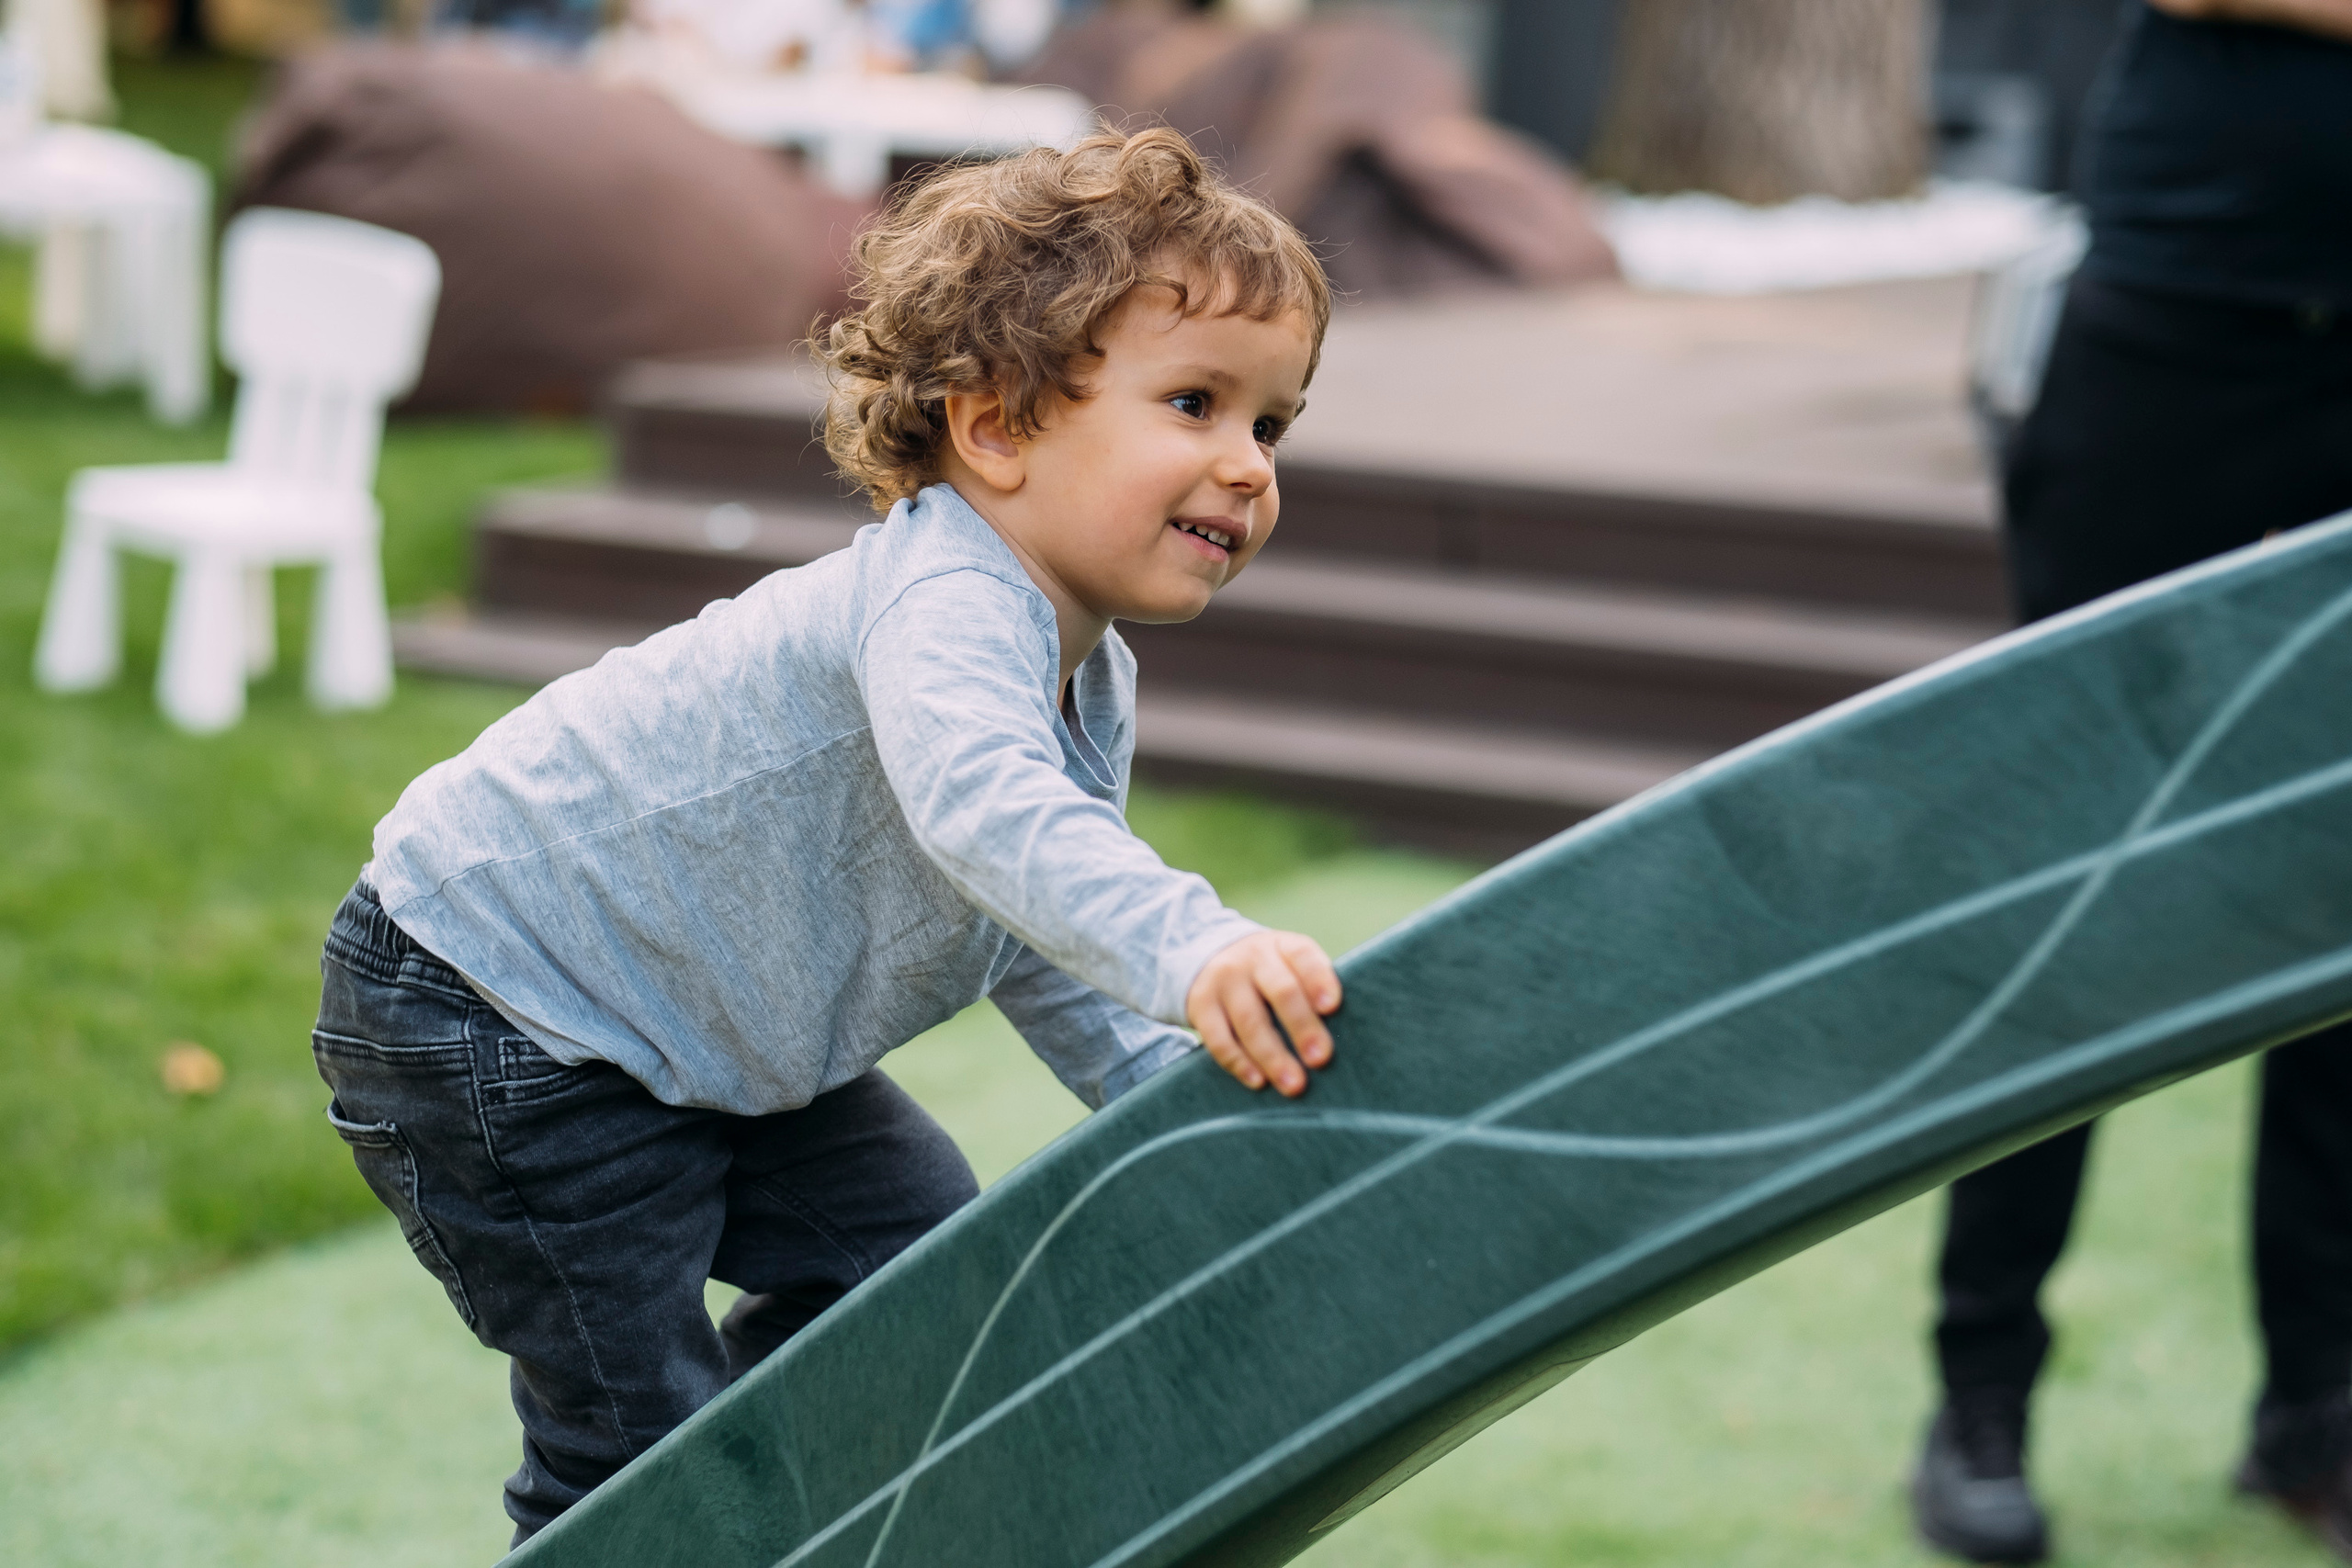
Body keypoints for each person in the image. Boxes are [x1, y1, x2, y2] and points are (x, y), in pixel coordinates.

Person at [310, 126, 1343, 1544]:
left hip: (683, 1024)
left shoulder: (1082, 671)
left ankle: (746, 1508)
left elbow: (1026, 925)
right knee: (633, 1448)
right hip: (496, 1003)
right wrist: (1195, 945)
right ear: (998, 426)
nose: (1247, 465)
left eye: (1270, 423)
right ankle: (679, 1517)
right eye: (1196, 404)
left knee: (909, 1273)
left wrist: (1192, 1104)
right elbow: (991, 815)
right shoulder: (946, 602)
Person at [1909, 1, 2352, 1562]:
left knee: (2344, 903)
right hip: (2180, 317)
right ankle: (1980, 1398)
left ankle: (2320, 1411)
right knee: (2069, 886)